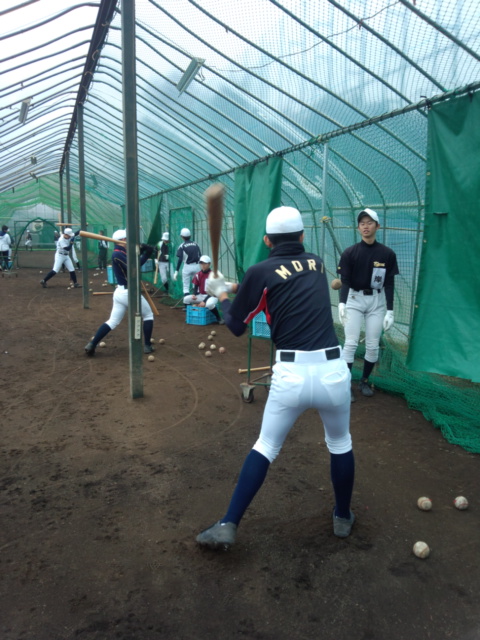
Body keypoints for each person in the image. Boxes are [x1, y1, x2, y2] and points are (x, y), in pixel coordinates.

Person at [196, 206, 355, 550]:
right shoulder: (316, 264)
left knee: (266, 447)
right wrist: (232, 285)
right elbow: (278, 283)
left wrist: (220, 295)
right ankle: (343, 516)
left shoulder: (260, 271)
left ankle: (228, 523)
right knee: (340, 443)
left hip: (291, 375)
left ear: (267, 241)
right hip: (332, 370)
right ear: (302, 236)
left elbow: (236, 325)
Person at [337, 208, 399, 401]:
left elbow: (389, 283)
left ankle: (364, 381)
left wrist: (390, 311)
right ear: (358, 228)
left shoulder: (387, 254)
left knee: (373, 345)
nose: (366, 226)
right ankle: (346, 383)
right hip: (354, 299)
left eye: (369, 223)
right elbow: (345, 281)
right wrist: (342, 303)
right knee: (351, 343)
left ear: (377, 226)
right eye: (362, 223)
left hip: (376, 301)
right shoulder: (350, 253)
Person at [84, 230, 156, 356]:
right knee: (148, 315)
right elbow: (134, 267)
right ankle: (147, 346)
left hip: (121, 292)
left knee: (113, 321)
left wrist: (142, 250)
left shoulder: (121, 252)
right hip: (128, 293)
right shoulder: (117, 254)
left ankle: (92, 344)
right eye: (127, 238)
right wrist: (147, 254)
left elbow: (132, 259)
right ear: (123, 240)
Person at [183, 255, 224, 324]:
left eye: (205, 263)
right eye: (201, 263)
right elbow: (196, 286)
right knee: (186, 299)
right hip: (201, 295)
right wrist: (194, 294)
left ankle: (219, 318)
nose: (203, 265)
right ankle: (189, 317)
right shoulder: (198, 274)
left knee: (209, 304)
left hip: (212, 296)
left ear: (209, 264)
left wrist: (204, 301)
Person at [173, 228, 201, 298]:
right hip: (197, 266)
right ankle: (197, 303)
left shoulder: (182, 246)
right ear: (190, 236)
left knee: (186, 287)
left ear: (182, 236)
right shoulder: (196, 244)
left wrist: (176, 271)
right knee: (196, 287)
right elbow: (200, 256)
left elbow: (180, 259)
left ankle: (187, 303)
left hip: (187, 267)